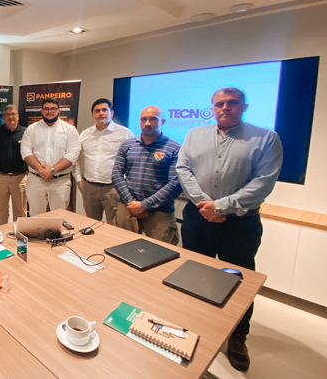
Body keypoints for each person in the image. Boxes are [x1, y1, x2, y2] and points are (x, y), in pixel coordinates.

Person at [176, 87, 283, 372]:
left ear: (244, 106)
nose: (225, 107)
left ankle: (237, 337)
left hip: (239, 223)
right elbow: (183, 169)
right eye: (219, 104)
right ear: (212, 107)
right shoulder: (194, 135)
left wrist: (221, 207)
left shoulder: (266, 138)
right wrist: (205, 205)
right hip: (197, 218)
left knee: (238, 280)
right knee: (195, 274)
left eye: (232, 103)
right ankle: (196, 324)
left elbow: (264, 182)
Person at [111, 105, 182, 244]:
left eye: (153, 119)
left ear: (163, 121)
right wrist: (132, 203)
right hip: (127, 207)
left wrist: (144, 205)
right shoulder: (127, 145)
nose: (147, 123)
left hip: (160, 211)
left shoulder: (175, 148)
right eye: (143, 119)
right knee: (119, 247)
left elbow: (175, 183)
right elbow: (116, 175)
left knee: (162, 252)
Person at [74, 98, 133, 225]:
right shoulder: (85, 134)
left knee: (115, 224)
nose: (101, 113)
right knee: (91, 223)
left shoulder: (125, 134)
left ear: (111, 113)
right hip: (89, 187)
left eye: (104, 110)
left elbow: (132, 161)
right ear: (92, 114)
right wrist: (78, 179)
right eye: (97, 111)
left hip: (113, 188)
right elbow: (77, 158)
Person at [20, 98, 81, 216]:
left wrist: (52, 170)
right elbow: (25, 152)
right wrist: (41, 170)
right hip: (36, 180)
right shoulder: (31, 129)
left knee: (59, 216)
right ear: (41, 111)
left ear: (59, 111)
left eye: (53, 109)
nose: (49, 112)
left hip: (60, 181)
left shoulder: (70, 130)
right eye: (46, 109)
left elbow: (72, 154)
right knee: (35, 216)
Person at [0, 104, 28, 225]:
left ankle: (19, 235)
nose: (10, 117)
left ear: (18, 116)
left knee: (21, 211)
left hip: (20, 177)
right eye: (7, 114)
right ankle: (1, 235)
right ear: (3, 117)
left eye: (13, 114)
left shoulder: (26, 132)